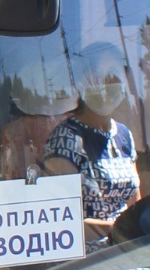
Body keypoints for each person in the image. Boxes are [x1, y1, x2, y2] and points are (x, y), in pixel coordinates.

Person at [41, 45, 141, 249]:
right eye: (100, 76)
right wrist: (119, 229)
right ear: (82, 82)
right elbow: (60, 222)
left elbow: (137, 207)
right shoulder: (65, 138)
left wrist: (135, 230)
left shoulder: (123, 135)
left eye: (115, 74)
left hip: (127, 248)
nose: (109, 82)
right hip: (87, 258)